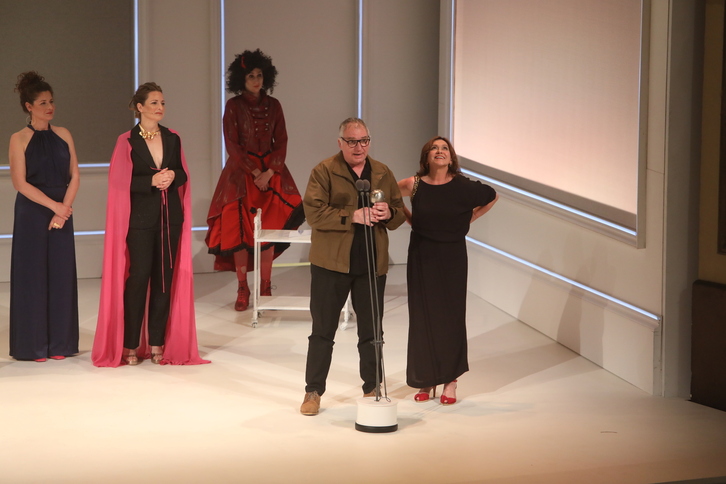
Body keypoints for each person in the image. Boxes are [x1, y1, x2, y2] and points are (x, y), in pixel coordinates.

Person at [91, 82, 209, 367]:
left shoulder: (172, 137)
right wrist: (151, 181)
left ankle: (157, 342)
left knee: (163, 280)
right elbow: (120, 182)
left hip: (170, 219)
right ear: (140, 107)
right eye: (154, 103)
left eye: (162, 103)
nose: (160, 108)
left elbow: (182, 173)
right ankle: (130, 344)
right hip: (140, 220)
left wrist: (173, 176)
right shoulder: (126, 141)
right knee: (138, 278)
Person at [300, 117, 406, 416]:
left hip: (371, 264)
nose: (359, 147)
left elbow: (399, 213)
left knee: (372, 332)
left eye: (364, 141)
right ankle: (313, 391)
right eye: (352, 141)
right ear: (340, 143)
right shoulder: (323, 170)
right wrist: (353, 216)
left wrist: (388, 213)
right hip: (331, 264)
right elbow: (314, 214)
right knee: (323, 331)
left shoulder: (382, 172)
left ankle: (372, 388)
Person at [398, 136, 498, 405]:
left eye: (444, 148)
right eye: (434, 148)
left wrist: (472, 216)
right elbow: (390, 196)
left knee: (449, 317)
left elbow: (492, 195)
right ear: (426, 156)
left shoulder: (462, 186)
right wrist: (411, 219)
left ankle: (450, 380)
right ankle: (426, 377)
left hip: (452, 256)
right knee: (422, 316)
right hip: (421, 254)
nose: (439, 151)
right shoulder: (414, 184)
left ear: (451, 157)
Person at [206, 49, 304, 311]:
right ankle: (242, 287)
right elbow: (232, 144)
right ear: (241, 78)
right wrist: (254, 172)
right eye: (251, 76)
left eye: (259, 75)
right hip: (241, 175)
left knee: (270, 229)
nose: (256, 80)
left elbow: (281, 141)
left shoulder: (275, 105)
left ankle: (265, 286)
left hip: (271, 174)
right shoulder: (233, 106)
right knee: (238, 231)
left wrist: (270, 172)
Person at [8, 71, 80, 362]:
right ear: (29, 106)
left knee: (61, 276)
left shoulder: (64, 134)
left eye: (51, 101)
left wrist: (64, 208)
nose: (50, 107)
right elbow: (20, 183)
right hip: (33, 212)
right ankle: (33, 345)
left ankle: (61, 343)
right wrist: (55, 207)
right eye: (43, 103)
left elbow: (75, 175)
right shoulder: (18, 139)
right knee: (33, 278)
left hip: (62, 211)